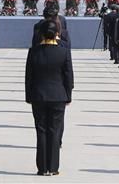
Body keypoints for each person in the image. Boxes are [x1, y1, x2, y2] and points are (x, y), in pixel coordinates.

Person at [25, 20, 74, 177]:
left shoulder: (34, 51)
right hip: (58, 95)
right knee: (54, 131)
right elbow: (69, 76)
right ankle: (53, 167)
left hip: (38, 95)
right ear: (57, 34)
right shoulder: (63, 52)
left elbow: (29, 77)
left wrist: (28, 96)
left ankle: (42, 167)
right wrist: (68, 95)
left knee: (41, 131)